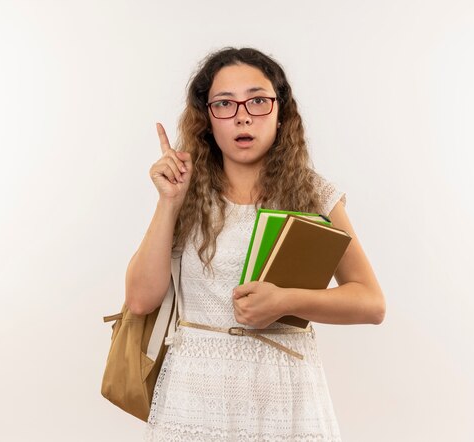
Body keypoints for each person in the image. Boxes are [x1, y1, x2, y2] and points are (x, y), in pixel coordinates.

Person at [125, 47, 386, 441]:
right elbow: (141, 300)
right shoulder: (185, 193)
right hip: (196, 394)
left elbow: (370, 302)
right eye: (225, 104)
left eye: (258, 100)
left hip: (287, 394)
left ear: (282, 114)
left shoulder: (313, 194)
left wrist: (286, 301)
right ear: (206, 120)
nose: (242, 115)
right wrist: (169, 202)